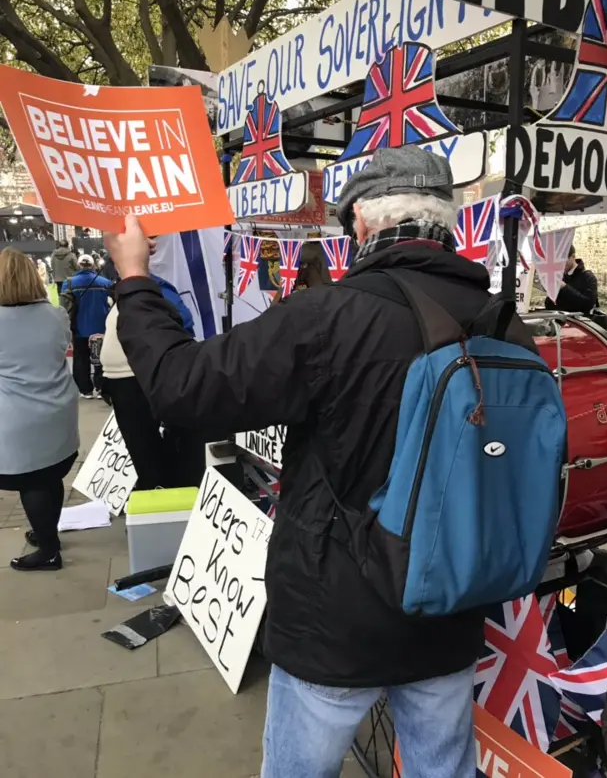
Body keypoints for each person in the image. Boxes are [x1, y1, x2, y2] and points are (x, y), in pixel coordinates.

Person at [106, 148, 509, 778]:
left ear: (363, 227)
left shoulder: (328, 317)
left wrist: (134, 278)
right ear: (447, 227)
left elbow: (183, 389)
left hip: (336, 614)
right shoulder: (505, 325)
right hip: (453, 600)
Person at [0, 248, 78, 571]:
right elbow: (62, 348)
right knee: (51, 474)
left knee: (30, 481)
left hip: (18, 420)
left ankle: (48, 552)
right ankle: (48, 533)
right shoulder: (55, 314)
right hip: (59, 412)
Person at [101, 274, 196, 490]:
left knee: (146, 445)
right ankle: (157, 484)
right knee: (143, 445)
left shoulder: (156, 289)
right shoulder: (128, 290)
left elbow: (183, 323)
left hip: (138, 378)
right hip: (125, 379)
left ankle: (160, 486)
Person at [63, 254, 112, 399]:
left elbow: (65, 305)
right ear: (92, 265)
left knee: (80, 358)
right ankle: (101, 387)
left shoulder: (70, 283)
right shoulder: (105, 283)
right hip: (100, 327)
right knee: (101, 359)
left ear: (78, 266)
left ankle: (85, 390)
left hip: (79, 327)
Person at [545, 245, 599, 316]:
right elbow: (549, 306)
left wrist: (565, 288)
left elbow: (588, 304)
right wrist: (551, 292)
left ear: (573, 257)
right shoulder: (560, 276)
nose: (560, 264)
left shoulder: (588, 277)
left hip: (579, 324)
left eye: (563, 260)